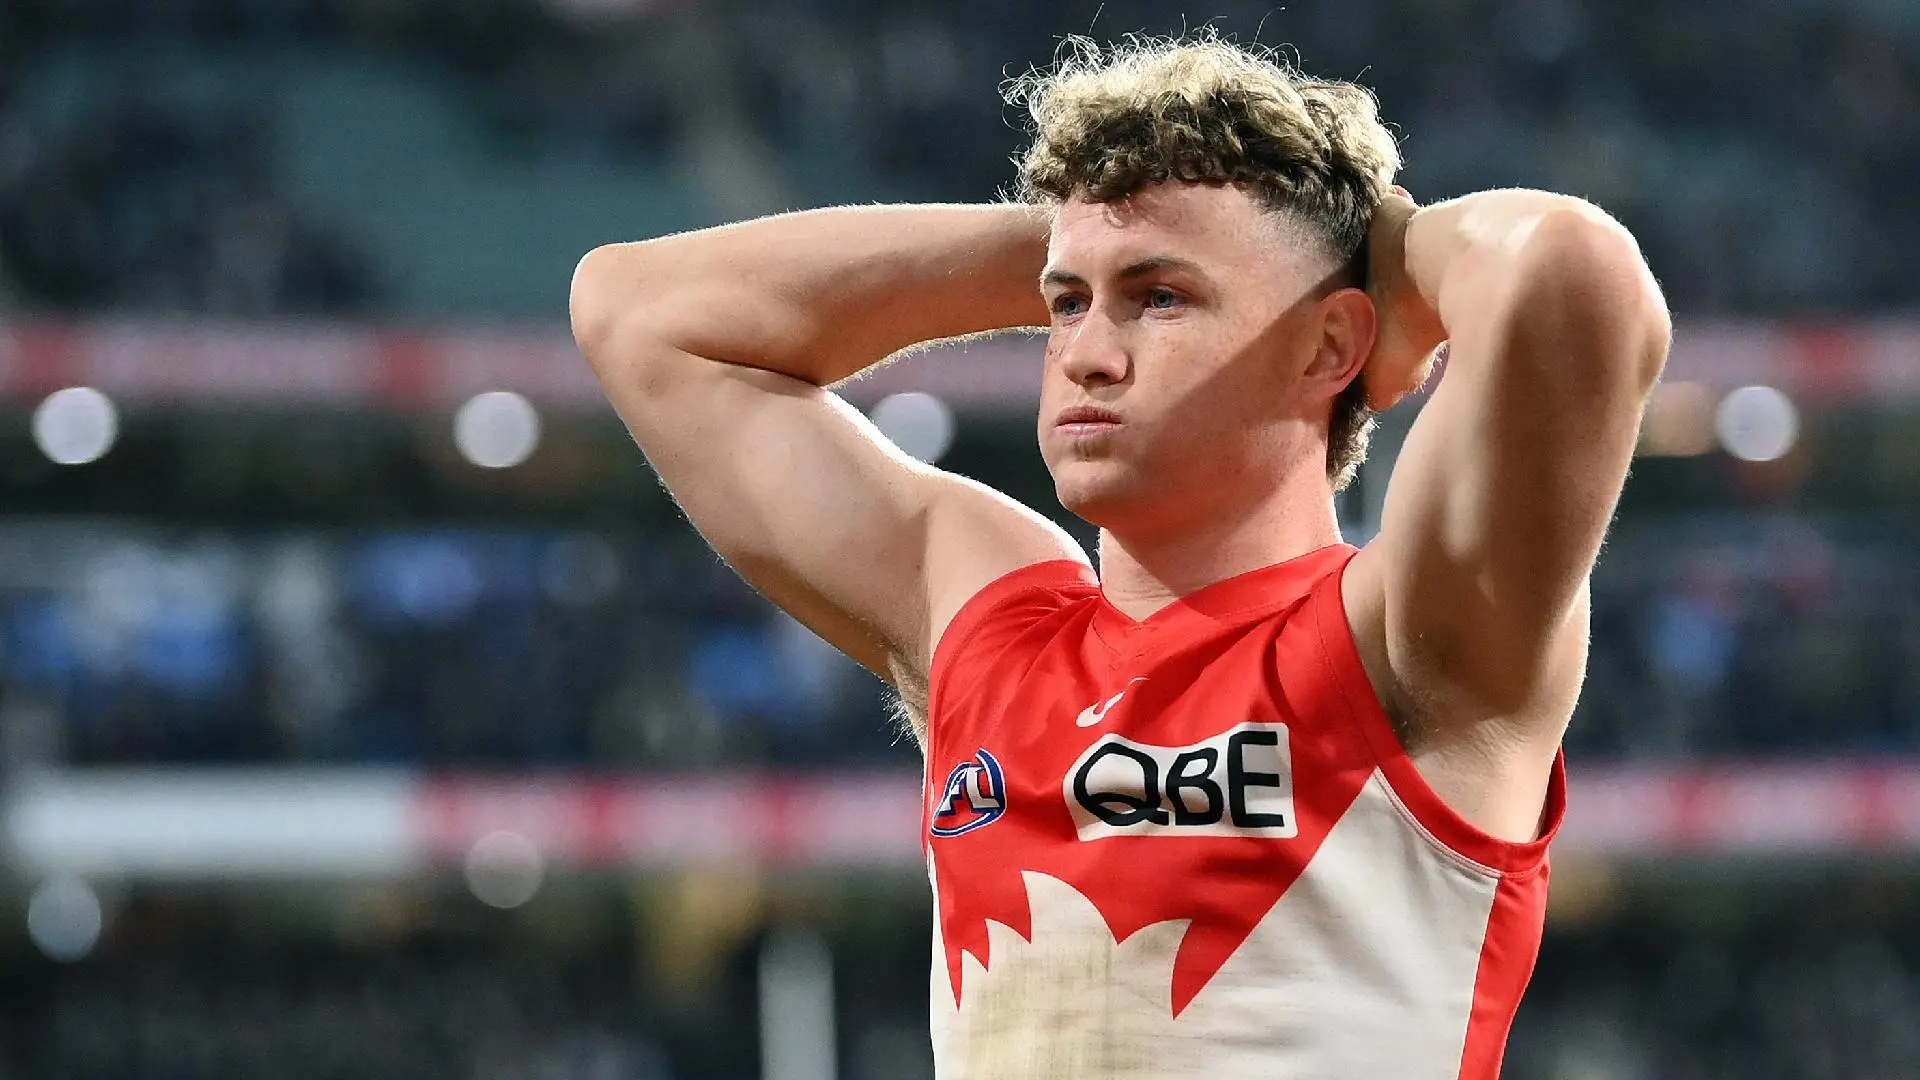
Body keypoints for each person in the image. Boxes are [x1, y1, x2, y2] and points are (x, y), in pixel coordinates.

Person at [570, 34, 1669, 1080]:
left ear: (1330, 343)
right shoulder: (986, 621)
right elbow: (636, 313)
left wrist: (1385, 254)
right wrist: (1082, 234)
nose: (1086, 354)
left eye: (1160, 299)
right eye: (1065, 305)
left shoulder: (1410, 638)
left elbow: (1573, 272)